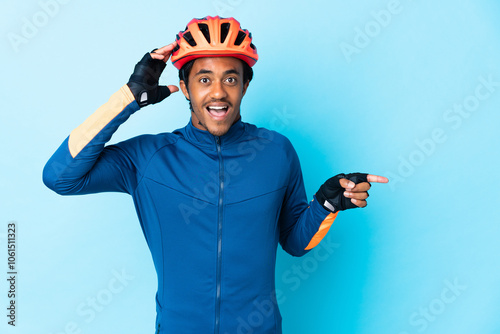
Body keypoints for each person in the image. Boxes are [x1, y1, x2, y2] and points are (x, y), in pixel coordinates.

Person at [43, 16, 388, 334]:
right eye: (204, 79)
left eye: (230, 79)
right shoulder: (148, 158)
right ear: (185, 86)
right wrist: (130, 96)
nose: (219, 92)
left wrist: (324, 205)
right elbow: (60, 176)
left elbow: (295, 242)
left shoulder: (276, 151)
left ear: (245, 87)